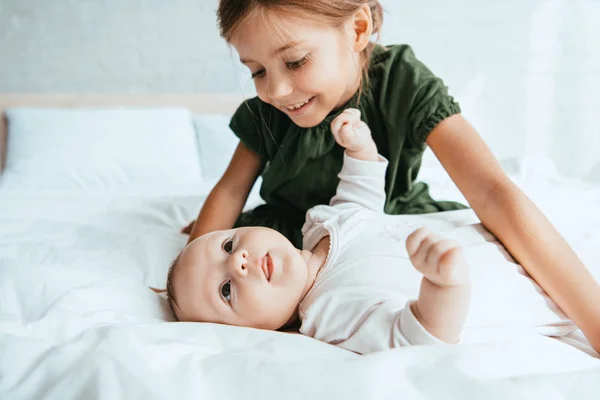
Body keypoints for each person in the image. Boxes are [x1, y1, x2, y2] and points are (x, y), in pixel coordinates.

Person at [182, 0, 600, 351]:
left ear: (358, 28)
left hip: (388, 219)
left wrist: (593, 322)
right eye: (257, 71)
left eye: (295, 61)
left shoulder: (400, 81)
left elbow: (493, 192)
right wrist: (199, 253)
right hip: (294, 232)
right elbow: (231, 188)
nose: (275, 91)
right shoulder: (269, 112)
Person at [165, 109, 580, 353]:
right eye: (225, 290)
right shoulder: (326, 313)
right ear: (253, 333)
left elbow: (359, 199)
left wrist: (360, 150)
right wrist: (443, 284)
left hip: (523, 248)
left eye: (228, 243)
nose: (237, 262)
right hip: (527, 296)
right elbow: (414, 338)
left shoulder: (319, 226)